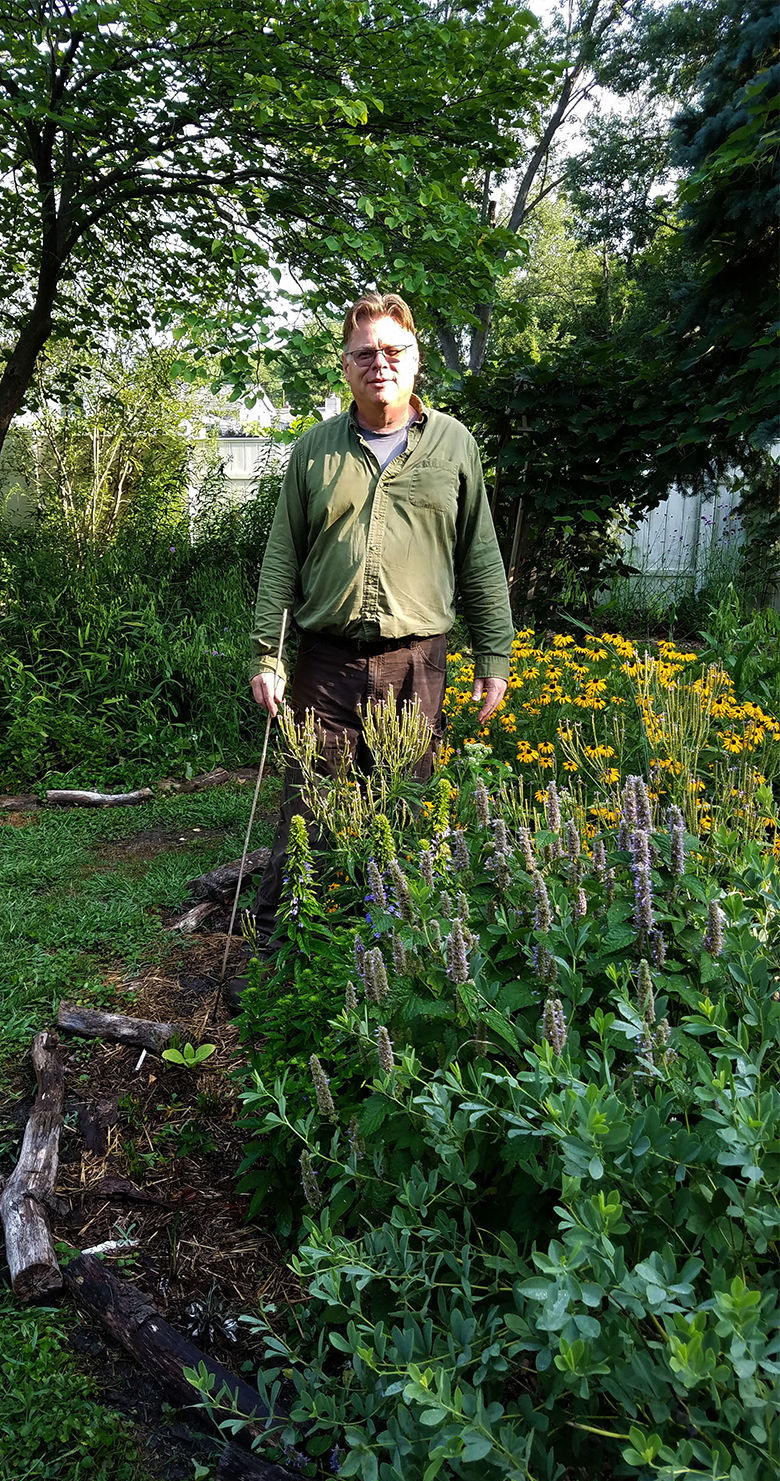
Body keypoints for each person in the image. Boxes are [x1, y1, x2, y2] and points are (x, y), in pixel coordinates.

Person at [229, 291, 513, 1001]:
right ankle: (279, 957)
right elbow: (279, 560)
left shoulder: (454, 447)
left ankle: (392, 961)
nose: (379, 364)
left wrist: (494, 657)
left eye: (393, 352)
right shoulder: (313, 452)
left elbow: (480, 556)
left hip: (417, 662)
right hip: (324, 664)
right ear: (346, 365)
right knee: (307, 811)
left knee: (405, 809)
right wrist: (269, 654)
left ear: (415, 361)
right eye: (365, 353)